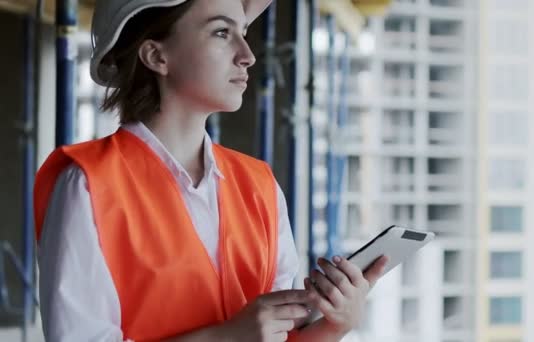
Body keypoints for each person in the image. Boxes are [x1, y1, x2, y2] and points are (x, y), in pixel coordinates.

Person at [34, 0, 388, 341]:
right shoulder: (88, 185)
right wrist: (228, 338)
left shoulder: (259, 185)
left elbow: (278, 338)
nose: (247, 55)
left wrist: (333, 325)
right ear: (157, 56)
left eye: (244, 31)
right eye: (222, 32)